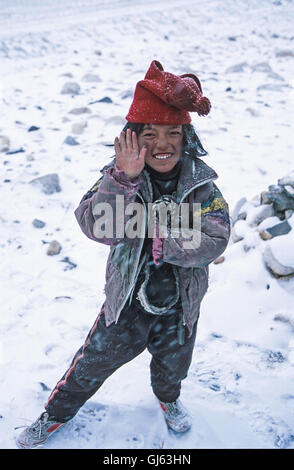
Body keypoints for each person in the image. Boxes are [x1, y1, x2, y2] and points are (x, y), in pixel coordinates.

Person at [16, 60, 231, 449]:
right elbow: (96, 225)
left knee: (173, 368)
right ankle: (55, 415)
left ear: (187, 137)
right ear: (132, 138)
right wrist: (125, 179)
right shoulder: (118, 176)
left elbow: (216, 237)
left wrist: (163, 237)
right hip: (127, 304)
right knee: (90, 365)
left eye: (172, 133)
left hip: (181, 305)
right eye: (150, 134)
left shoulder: (200, 186)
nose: (162, 144)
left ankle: (168, 400)